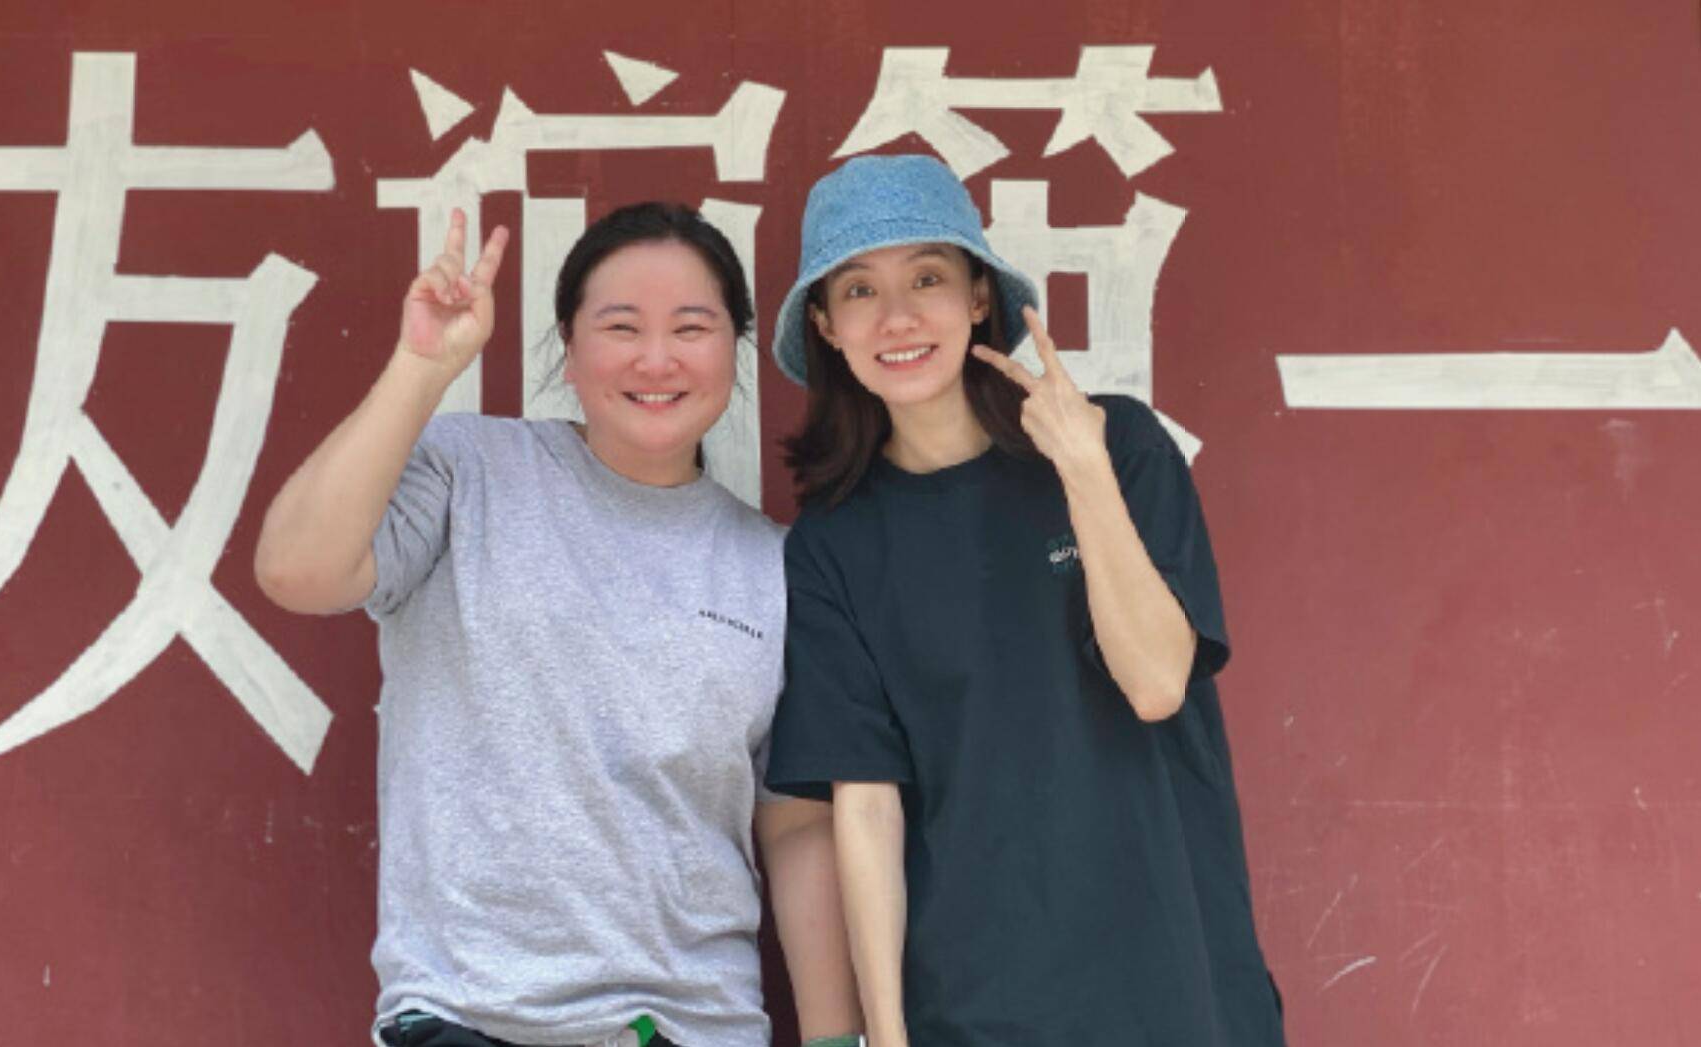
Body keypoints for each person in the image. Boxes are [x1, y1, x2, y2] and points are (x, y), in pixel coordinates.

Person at [254, 203, 860, 1047]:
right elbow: (297, 569)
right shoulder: (470, 470)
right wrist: (420, 367)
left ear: (735, 350)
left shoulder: (774, 567)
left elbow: (793, 824)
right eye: (621, 327)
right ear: (568, 350)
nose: (656, 359)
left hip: (692, 1025)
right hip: (473, 1015)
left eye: (692, 327)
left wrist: (835, 1042)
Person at [763, 154, 1286, 1047]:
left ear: (978, 296)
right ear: (826, 325)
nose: (896, 317)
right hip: (971, 1008)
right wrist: (882, 1035)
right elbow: (866, 807)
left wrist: (1080, 467)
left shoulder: (1118, 444)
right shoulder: (834, 545)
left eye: (927, 277)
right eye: (858, 290)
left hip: (1174, 983)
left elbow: (1157, 682)